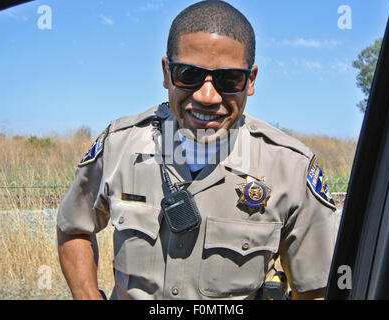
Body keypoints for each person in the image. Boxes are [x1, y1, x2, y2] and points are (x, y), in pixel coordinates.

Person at [57, 0, 338, 300]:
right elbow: (73, 227)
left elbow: (315, 289)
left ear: (250, 80)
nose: (207, 96)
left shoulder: (290, 168)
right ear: (167, 73)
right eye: (189, 74)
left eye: (228, 79)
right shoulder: (119, 146)